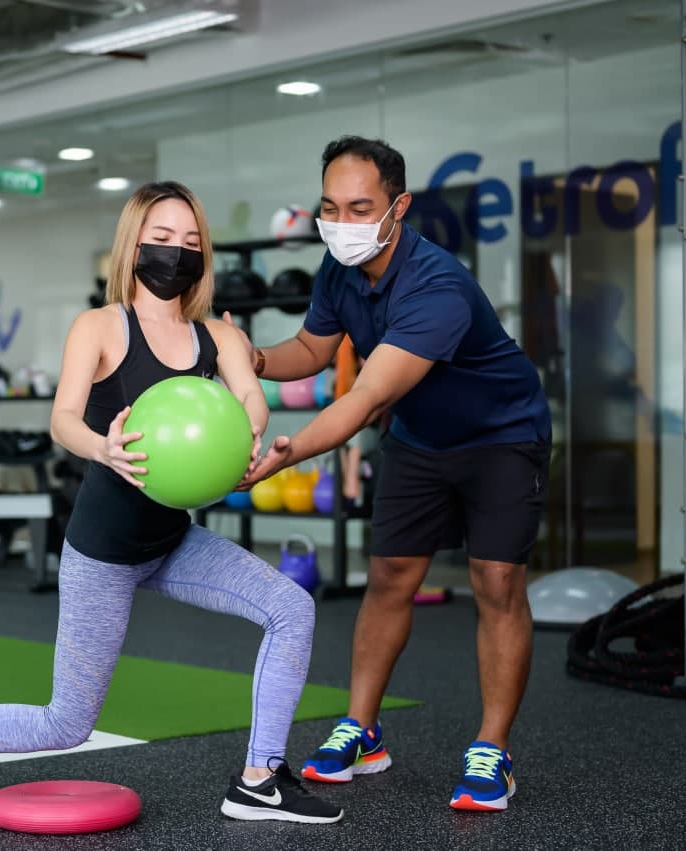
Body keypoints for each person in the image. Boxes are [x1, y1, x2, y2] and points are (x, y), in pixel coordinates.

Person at [0, 181, 343, 825]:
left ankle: (259, 777)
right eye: (162, 240)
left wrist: (249, 435)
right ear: (133, 245)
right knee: (66, 724)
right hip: (103, 551)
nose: (177, 252)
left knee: (292, 609)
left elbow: (250, 399)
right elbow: (61, 420)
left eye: (191, 242)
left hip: (171, 542)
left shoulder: (218, 337)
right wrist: (102, 447)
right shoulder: (100, 327)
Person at [231, 136, 552, 813]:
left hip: (501, 435)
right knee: (389, 577)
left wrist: (283, 454)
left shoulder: (437, 285)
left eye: (359, 207)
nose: (340, 223)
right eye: (329, 207)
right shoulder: (339, 268)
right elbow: (314, 350)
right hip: (419, 437)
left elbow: (365, 398)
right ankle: (363, 728)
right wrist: (251, 358)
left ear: (397, 207)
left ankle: (492, 747)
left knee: (495, 580)